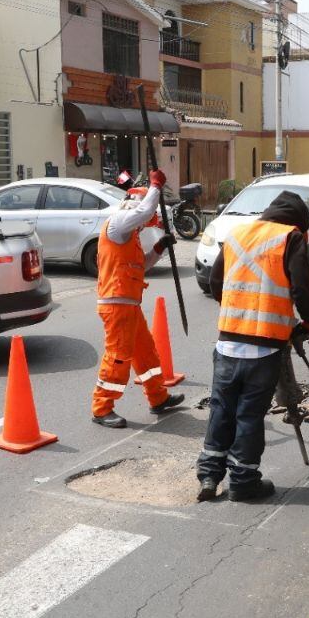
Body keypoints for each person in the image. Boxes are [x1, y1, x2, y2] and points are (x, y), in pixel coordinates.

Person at [197, 191, 309, 502]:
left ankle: (209, 476)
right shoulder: (290, 237)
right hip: (264, 348)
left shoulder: (238, 233)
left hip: (228, 342)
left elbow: (216, 282)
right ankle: (243, 481)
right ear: (298, 222)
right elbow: (302, 287)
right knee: (249, 415)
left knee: (221, 410)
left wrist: (237, 310)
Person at [90, 170, 184, 429]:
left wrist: (159, 248)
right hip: (116, 305)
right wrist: (155, 186)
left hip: (129, 305)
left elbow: (141, 266)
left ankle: (158, 397)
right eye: (143, 223)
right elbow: (143, 212)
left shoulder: (128, 238)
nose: (143, 226)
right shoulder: (118, 222)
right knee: (118, 356)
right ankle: (102, 407)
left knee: (146, 353)